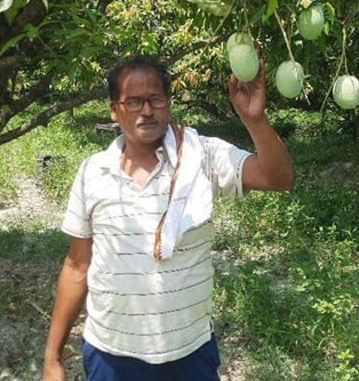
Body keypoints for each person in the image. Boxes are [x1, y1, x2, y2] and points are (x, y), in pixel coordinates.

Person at [41, 49, 295, 381]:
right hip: (112, 355)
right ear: (114, 111)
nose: (146, 111)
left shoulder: (201, 155)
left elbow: (279, 179)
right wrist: (52, 359)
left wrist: (255, 120)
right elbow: (77, 265)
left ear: (168, 103)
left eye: (155, 99)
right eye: (133, 102)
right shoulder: (93, 172)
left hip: (188, 353)